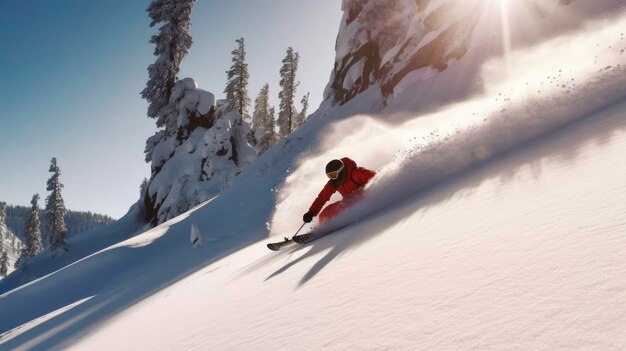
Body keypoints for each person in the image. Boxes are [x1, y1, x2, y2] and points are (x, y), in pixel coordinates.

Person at [303, 157, 376, 225]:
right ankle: (324, 227)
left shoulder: (356, 174)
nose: (332, 178)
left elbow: (376, 176)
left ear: (341, 171)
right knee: (324, 214)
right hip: (347, 203)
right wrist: (311, 212)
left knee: (344, 207)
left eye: (333, 175)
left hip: (363, 198)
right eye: (329, 176)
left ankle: (339, 222)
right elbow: (322, 197)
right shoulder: (334, 183)